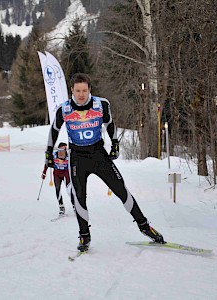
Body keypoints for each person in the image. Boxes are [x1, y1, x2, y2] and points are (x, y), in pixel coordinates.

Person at [45, 73, 164, 252]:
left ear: (89, 89)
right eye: (77, 90)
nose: (81, 94)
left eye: (84, 90)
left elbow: (110, 124)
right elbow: (54, 130)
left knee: (121, 190)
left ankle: (145, 226)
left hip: (98, 155)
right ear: (72, 90)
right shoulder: (65, 109)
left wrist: (115, 143)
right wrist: (48, 152)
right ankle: (84, 235)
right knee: (79, 197)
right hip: (77, 156)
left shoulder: (101, 104)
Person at [42, 142, 71, 215]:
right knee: (57, 189)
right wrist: (44, 172)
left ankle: (74, 205)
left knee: (69, 190)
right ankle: (61, 206)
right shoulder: (54, 154)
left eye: (63, 150)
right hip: (57, 174)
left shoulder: (69, 155)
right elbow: (47, 163)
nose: (61, 152)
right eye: (59, 150)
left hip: (65, 173)